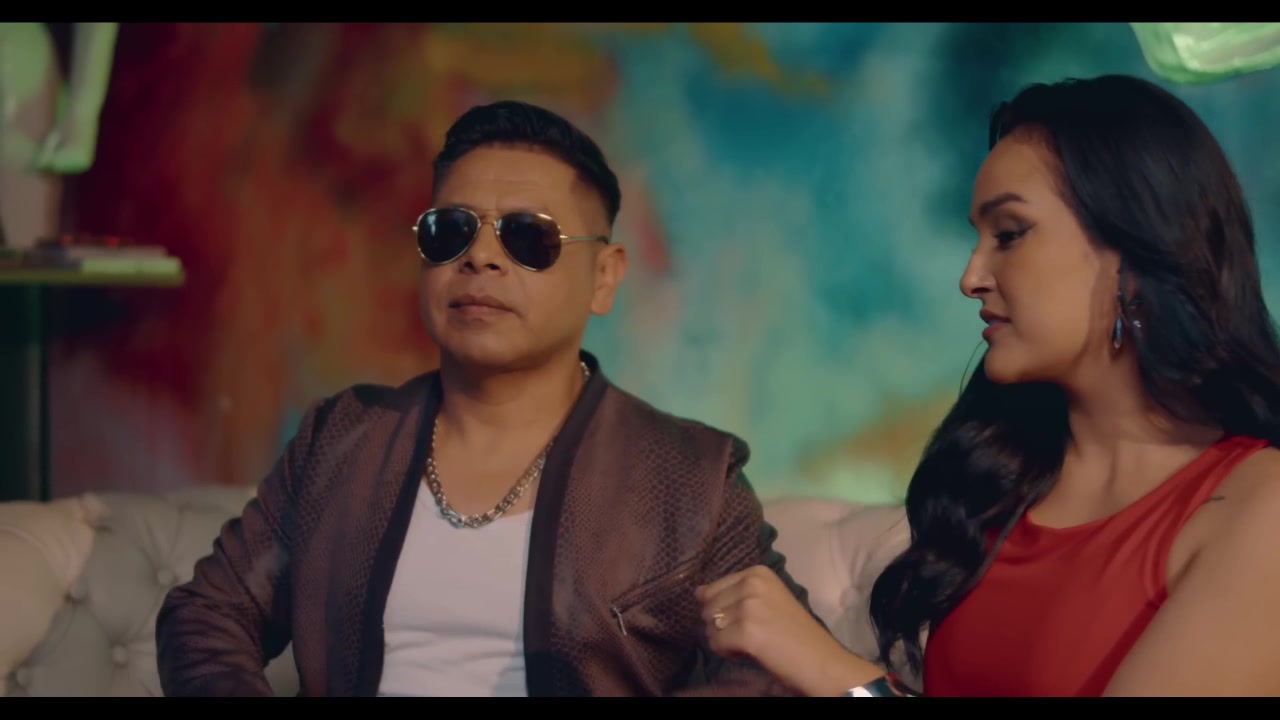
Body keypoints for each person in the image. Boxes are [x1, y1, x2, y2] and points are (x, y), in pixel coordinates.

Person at [155, 100, 816, 697]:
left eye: (529, 237)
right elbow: (210, 613)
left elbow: (774, 670)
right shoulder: (343, 436)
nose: (481, 258)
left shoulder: (692, 478)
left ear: (604, 277)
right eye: (451, 230)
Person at [694, 74, 1280, 697]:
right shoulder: (998, 488)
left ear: (1133, 258)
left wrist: (833, 672)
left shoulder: (1259, 508)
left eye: (1009, 234)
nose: (971, 276)